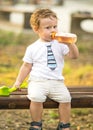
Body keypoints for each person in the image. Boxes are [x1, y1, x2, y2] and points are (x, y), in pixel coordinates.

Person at [13, 8, 79, 130]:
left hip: (57, 81)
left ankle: (64, 124)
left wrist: (70, 43)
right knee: (36, 98)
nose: (53, 30)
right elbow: (26, 66)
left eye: (55, 26)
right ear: (36, 29)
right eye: (48, 28)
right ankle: (36, 123)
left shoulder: (61, 44)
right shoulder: (33, 48)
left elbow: (74, 56)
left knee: (66, 99)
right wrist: (18, 82)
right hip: (38, 81)